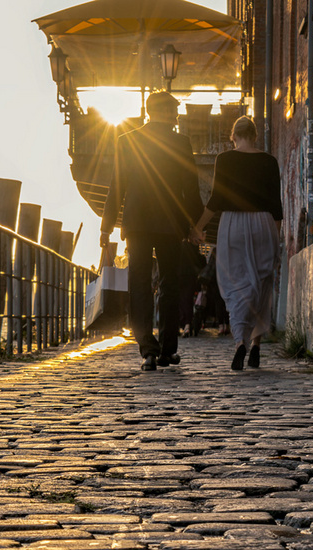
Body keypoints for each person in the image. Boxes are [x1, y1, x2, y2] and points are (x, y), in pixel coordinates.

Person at [99, 92, 204, 372]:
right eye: (175, 112)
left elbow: (116, 187)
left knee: (139, 284)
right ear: (170, 113)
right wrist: (195, 226)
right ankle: (168, 349)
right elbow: (190, 191)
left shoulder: (127, 140)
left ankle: (147, 349)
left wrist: (106, 228)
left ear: (148, 111)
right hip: (170, 226)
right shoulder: (181, 143)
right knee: (170, 283)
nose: (176, 117)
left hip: (137, 224)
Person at [192, 115, 283, 371]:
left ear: (233, 136)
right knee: (261, 283)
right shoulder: (269, 161)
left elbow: (216, 200)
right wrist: (275, 238)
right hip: (264, 224)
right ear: (255, 135)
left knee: (235, 284)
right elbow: (276, 206)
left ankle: (239, 342)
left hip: (232, 225)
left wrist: (198, 227)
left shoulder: (225, 159)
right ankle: (255, 345)